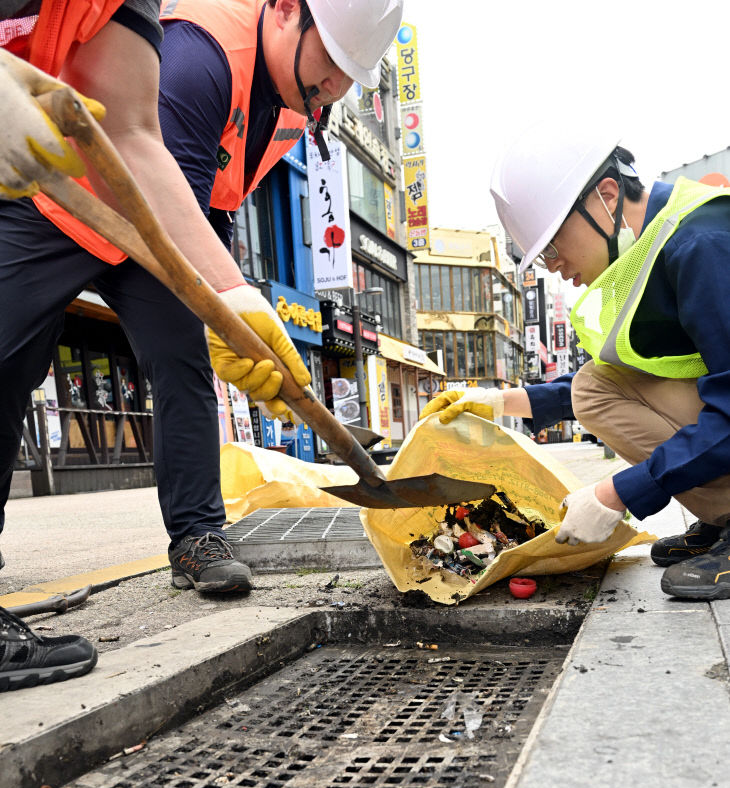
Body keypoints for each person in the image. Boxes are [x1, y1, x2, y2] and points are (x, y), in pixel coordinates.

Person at [0, 0, 402, 689]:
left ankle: (196, 535)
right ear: (284, 12)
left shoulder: (280, 95)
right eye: (331, 61)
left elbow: (131, 131)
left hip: (148, 211)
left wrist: (231, 297)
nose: (336, 85)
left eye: (348, 74)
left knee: (184, 364)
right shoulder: (204, 53)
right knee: (5, 361)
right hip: (49, 193)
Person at [424, 125, 730, 601]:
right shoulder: (654, 251)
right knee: (593, 387)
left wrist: (618, 493)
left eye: (551, 244)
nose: (554, 265)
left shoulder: (700, 244)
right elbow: (624, 382)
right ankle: (722, 514)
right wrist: (494, 400)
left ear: (606, 196)